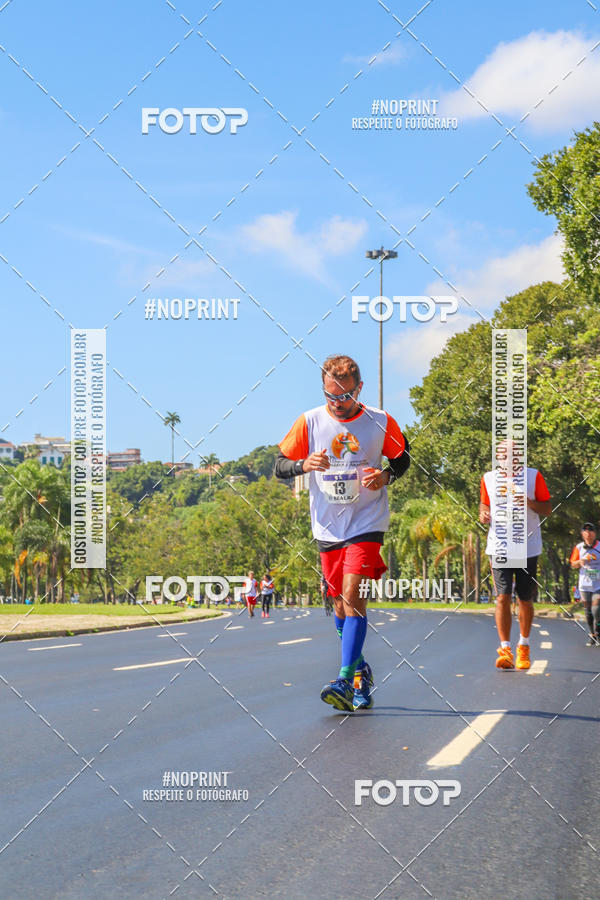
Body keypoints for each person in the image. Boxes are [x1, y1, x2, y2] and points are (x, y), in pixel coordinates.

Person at [275, 354, 410, 711]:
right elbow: (279, 466)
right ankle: (361, 671)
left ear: (358, 389)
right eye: (331, 396)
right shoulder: (310, 421)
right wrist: (304, 464)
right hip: (328, 526)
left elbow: (402, 459)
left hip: (367, 522)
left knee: (352, 597)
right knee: (339, 603)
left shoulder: (379, 421)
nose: (337, 404)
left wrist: (385, 476)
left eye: (344, 397)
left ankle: (344, 680)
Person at [479, 448, 552, 670]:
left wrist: (529, 502)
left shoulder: (533, 476)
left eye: (510, 454)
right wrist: (483, 513)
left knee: (524, 599)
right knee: (502, 597)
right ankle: (505, 649)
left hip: (527, 547)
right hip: (499, 546)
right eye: (501, 455)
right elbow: (484, 505)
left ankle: (524, 645)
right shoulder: (489, 478)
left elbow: (547, 508)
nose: (505, 458)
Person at [570, 522, 600, 646]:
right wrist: (580, 561)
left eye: (591, 531)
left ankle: (598, 632)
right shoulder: (579, 547)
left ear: (595, 533)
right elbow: (573, 564)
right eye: (585, 531)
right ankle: (592, 634)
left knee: (596, 609)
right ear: (582, 534)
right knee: (588, 612)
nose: (588, 533)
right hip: (584, 584)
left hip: (598, 584)